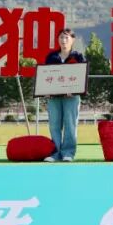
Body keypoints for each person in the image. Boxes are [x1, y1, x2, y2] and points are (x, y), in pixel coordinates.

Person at [42, 28, 85, 162]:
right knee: (54, 124)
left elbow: (82, 76)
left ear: (73, 40)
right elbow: (45, 76)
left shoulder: (78, 57)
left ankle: (68, 153)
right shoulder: (51, 57)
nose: (63, 40)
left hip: (71, 97)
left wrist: (75, 89)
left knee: (70, 124)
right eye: (61, 37)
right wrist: (46, 91)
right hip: (53, 97)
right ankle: (55, 153)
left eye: (66, 37)